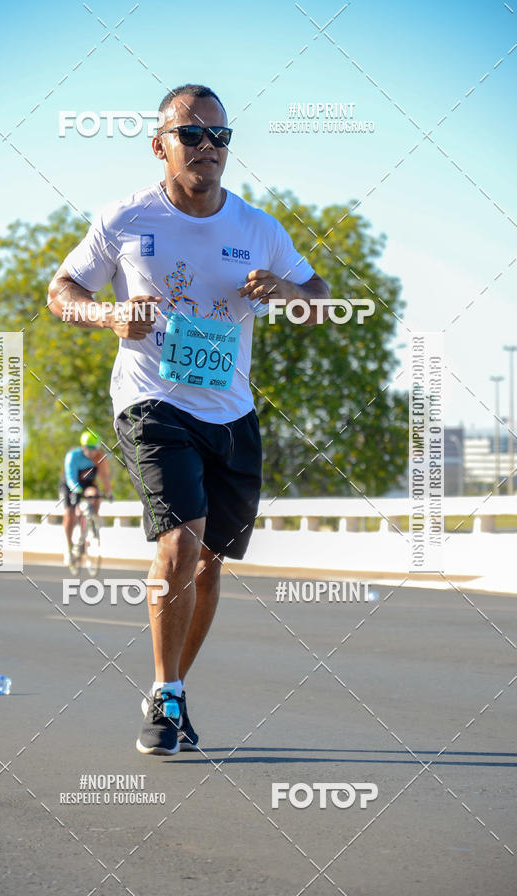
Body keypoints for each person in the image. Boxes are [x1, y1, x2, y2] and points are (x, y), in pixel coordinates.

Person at [48, 83, 330, 755]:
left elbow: (319, 299)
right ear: (160, 146)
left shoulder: (258, 227)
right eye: (193, 135)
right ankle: (167, 694)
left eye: (221, 136)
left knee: (209, 564)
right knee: (177, 545)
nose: (209, 147)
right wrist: (108, 314)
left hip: (232, 413)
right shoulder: (125, 218)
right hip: (153, 403)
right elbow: (62, 292)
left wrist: (292, 292)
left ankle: (169, 688)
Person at [59, 430, 112, 566]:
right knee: (69, 514)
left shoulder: (100, 457)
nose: (93, 452)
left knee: (95, 494)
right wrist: (76, 489)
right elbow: (70, 476)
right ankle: (69, 546)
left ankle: (92, 520)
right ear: (83, 447)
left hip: (87, 484)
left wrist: (109, 492)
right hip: (70, 484)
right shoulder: (72, 456)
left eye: (96, 448)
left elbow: (105, 476)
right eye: (90, 449)